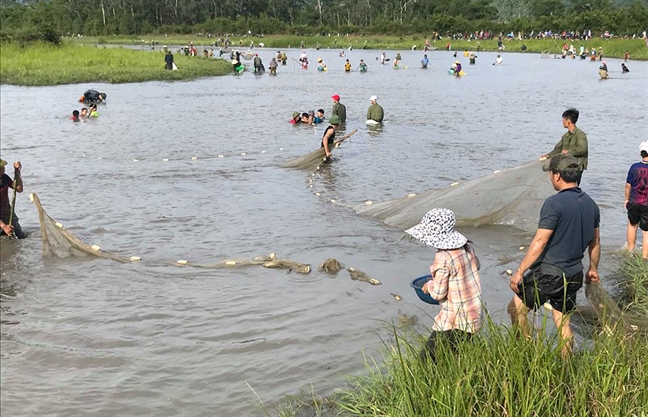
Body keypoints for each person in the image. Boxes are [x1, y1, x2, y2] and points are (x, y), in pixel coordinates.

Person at [508, 154, 600, 358]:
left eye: (551, 174)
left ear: (557, 176)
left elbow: (540, 241)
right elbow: (595, 242)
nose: (550, 178)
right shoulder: (591, 204)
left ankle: (524, 354)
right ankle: (565, 368)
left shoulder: (554, 203)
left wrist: (520, 272)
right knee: (563, 324)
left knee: (515, 309)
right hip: (574, 274)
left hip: (549, 274)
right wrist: (593, 269)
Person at [405, 208, 482, 362]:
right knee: (456, 354)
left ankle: (425, 384)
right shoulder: (466, 247)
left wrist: (428, 286)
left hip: (454, 319)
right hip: (473, 314)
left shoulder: (443, 257)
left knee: (426, 360)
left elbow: (438, 293)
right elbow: (476, 266)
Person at [624, 141, 648, 259]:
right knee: (646, 231)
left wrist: (626, 199)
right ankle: (644, 257)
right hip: (646, 203)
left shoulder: (634, 167)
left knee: (632, 225)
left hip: (634, 201)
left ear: (640, 153)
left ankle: (630, 251)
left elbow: (628, 185)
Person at [0, 159, 25, 239]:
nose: (4, 168)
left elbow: (19, 189)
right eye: (1, 167)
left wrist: (17, 171)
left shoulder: (5, 178)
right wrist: (3, 226)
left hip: (7, 212)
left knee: (20, 235)